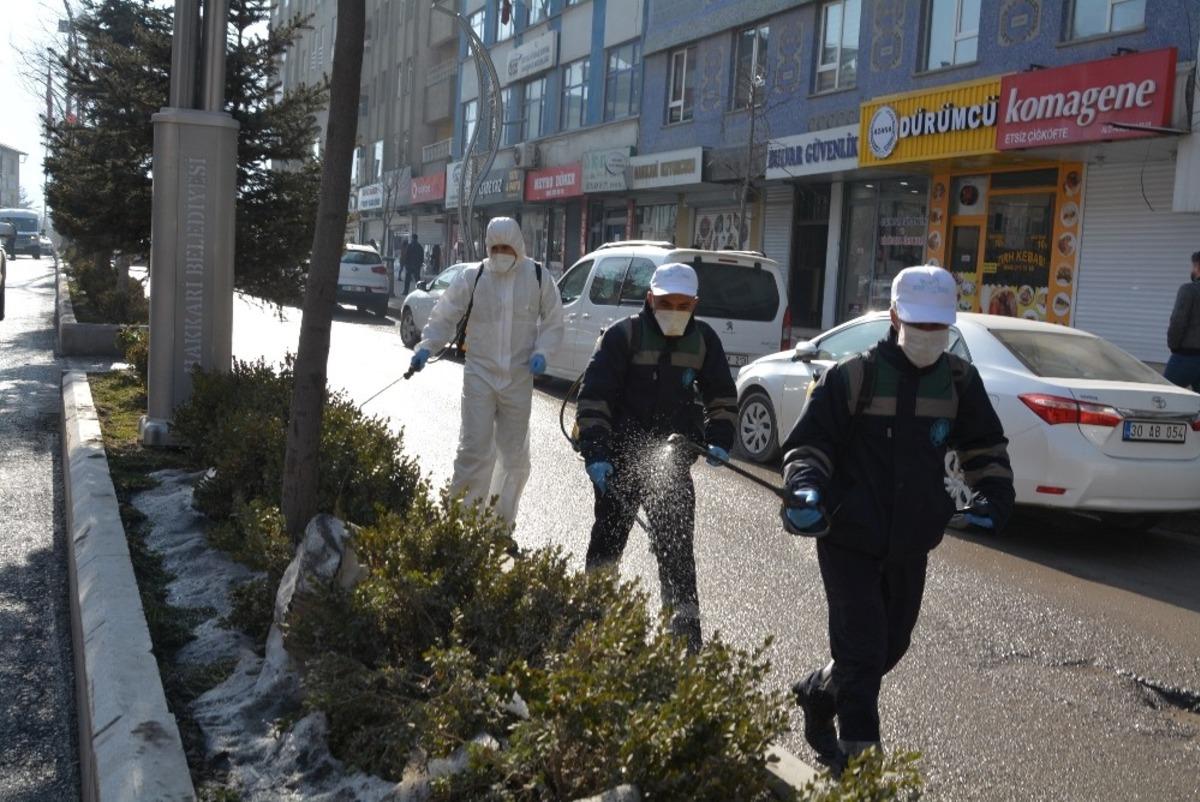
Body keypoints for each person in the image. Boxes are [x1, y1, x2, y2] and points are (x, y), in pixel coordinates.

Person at [780, 265, 1014, 769]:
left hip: (911, 540)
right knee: (863, 651)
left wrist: (994, 494)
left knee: (891, 644)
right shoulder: (853, 375)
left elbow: (984, 445)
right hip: (848, 536)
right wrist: (804, 490)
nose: (928, 337)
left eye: (938, 328)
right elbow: (811, 445)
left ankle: (820, 692)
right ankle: (862, 768)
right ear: (893, 316)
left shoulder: (959, 382)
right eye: (919, 325)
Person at [575, 263, 738, 654]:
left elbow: (722, 397)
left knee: (678, 550)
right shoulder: (623, 337)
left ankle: (685, 641)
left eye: (683, 304)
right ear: (650, 298)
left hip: (672, 460)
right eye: (666, 302)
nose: (674, 309)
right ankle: (589, 627)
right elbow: (595, 398)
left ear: (695, 304)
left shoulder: (703, 341)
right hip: (619, 461)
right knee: (607, 544)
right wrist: (597, 453)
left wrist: (720, 437)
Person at [408, 217, 564, 525]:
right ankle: (460, 523)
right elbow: (445, 313)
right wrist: (427, 346)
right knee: (474, 450)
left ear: (518, 246)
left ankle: (498, 526)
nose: (501, 253)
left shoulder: (537, 276)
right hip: (479, 373)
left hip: (519, 376)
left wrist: (543, 351)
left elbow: (554, 320)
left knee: (513, 457)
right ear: (488, 247)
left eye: (507, 247)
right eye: (496, 247)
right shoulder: (473, 276)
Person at [1165, 251, 1200, 391]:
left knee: (1165, 395)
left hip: (1187, 355)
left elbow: (1178, 321)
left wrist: (1174, 346)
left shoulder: (1189, 290)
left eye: (1194, 266)